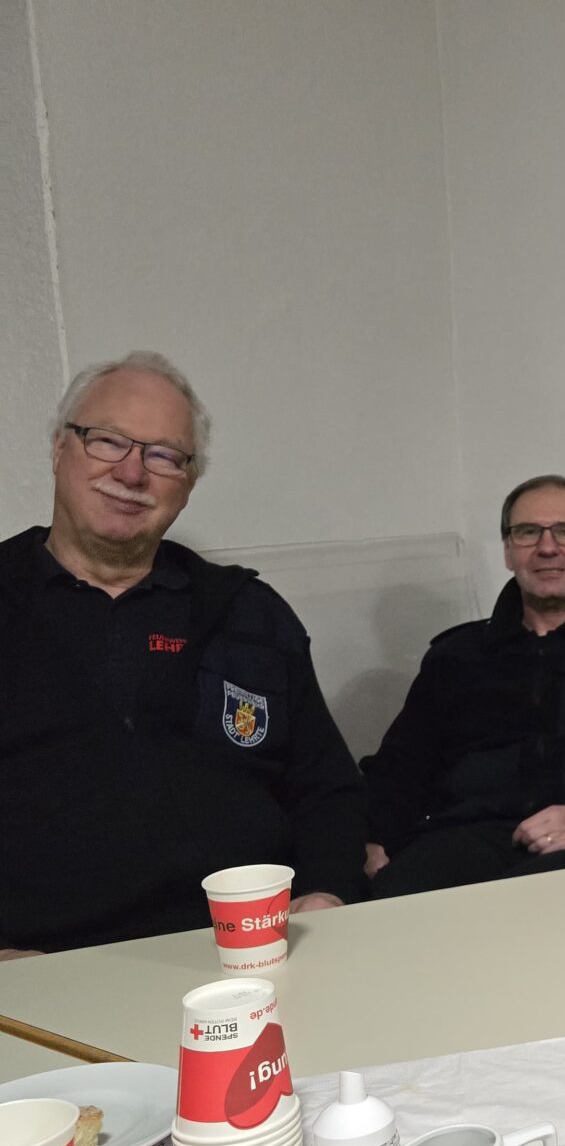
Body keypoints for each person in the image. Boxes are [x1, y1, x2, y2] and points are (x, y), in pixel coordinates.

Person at [0, 352, 364, 955]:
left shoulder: (249, 612)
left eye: (165, 455)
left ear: (189, 484)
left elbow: (327, 789)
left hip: (251, 951)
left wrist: (327, 891)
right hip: (40, 965)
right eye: (108, 440)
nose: (132, 472)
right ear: (60, 449)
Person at [359, 475, 565, 898]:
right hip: (468, 840)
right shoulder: (457, 656)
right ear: (508, 552)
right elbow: (400, 768)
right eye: (528, 532)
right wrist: (373, 839)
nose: (547, 547)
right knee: (393, 897)